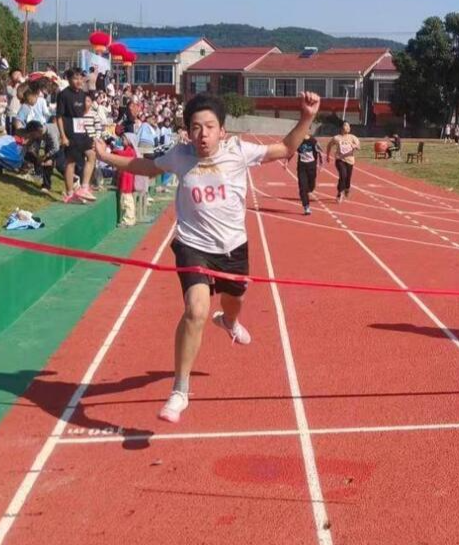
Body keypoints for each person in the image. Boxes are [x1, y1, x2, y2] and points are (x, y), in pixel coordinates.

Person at [92, 91, 321, 423]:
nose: (203, 134)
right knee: (196, 310)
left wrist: (306, 117)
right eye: (196, 127)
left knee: (233, 300)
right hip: (192, 245)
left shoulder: (240, 151)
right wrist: (107, 156)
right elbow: (146, 166)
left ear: (222, 131)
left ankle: (228, 321)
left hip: (233, 247)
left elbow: (285, 148)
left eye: (210, 127)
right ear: (188, 131)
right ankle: (179, 390)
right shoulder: (180, 156)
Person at [55, 68, 98, 204]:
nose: (79, 81)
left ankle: (84, 187)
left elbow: (82, 114)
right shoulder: (63, 95)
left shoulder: (83, 94)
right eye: (75, 78)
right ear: (68, 79)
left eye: (80, 78)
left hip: (82, 130)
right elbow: (59, 116)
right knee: (71, 162)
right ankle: (69, 194)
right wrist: (63, 136)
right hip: (70, 132)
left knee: (92, 155)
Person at [327, 121, 360, 202]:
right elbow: (329, 145)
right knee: (343, 175)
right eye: (346, 126)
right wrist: (327, 155)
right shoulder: (336, 138)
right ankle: (339, 193)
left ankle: (347, 188)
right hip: (340, 160)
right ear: (342, 128)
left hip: (350, 160)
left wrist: (355, 146)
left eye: (349, 126)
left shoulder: (353, 137)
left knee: (348, 178)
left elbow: (359, 147)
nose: (348, 128)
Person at [295, 133, 322, 215]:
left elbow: (320, 152)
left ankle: (309, 189)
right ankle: (306, 207)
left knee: (311, 186)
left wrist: (321, 162)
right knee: (303, 187)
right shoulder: (298, 140)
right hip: (302, 167)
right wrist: (286, 161)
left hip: (311, 166)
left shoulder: (313, 141)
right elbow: (291, 150)